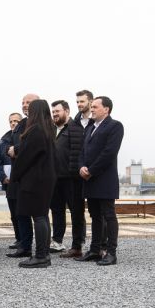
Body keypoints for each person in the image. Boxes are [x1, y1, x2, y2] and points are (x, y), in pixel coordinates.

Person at [77, 95, 125, 266]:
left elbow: (109, 153)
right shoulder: (90, 127)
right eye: (92, 107)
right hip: (89, 180)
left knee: (108, 216)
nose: (92, 109)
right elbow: (82, 151)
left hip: (104, 179)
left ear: (106, 109)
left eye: (95, 107)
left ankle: (111, 253)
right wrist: (81, 167)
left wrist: (91, 170)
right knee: (95, 216)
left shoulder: (115, 126)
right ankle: (95, 250)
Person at [10, 99, 57, 268]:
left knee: (38, 217)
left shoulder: (35, 130)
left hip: (35, 180)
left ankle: (41, 256)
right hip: (45, 179)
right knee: (42, 216)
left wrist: (15, 175)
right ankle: (44, 254)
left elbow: (25, 157)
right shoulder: (48, 129)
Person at [49, 100, 85, 257]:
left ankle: (78, 244)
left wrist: (74, 173)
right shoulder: (51, 130)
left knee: (76, 212)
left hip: (72, 179)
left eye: (57, 111)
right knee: (56, 211)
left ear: (67, 111)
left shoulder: (75, 128)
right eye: (53, 112)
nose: (55, 114)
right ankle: (57, 241)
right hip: (55, 178)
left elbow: (78, 152)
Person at [5, 93, 39, 258]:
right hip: (17, 174)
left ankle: (41, 250)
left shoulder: (41, 124)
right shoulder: (22, 124)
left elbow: (31, 147)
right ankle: (24, 246)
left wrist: (16, 150)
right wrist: (11, 150)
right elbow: (10, 146)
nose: (25, 105)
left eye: (29, 102)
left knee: (37, 215)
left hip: (33, 175)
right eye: (23, 102)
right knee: (20, 212)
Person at [0, 112, 22, 246]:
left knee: (22, 212)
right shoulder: (3, 140)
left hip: (21, 181)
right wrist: (2, 177)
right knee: (13, 213)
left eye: (16, 121)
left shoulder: (24, 138)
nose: (13, 123)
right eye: (11, 121)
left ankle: (25, 240)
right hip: (8, 182)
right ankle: (18, 239)